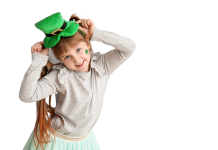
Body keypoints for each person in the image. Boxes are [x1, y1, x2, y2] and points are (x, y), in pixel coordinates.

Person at [19, 12, 136, 150]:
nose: (76, 59)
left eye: (79, 49)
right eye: (67, 56)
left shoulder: (102, 66)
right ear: (60, 60)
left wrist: (96, 33)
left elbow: (129, 47)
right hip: (57, 141)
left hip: (84, 140)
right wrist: (38, 61)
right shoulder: (61, 76)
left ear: (88, 44)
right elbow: (27, 96)